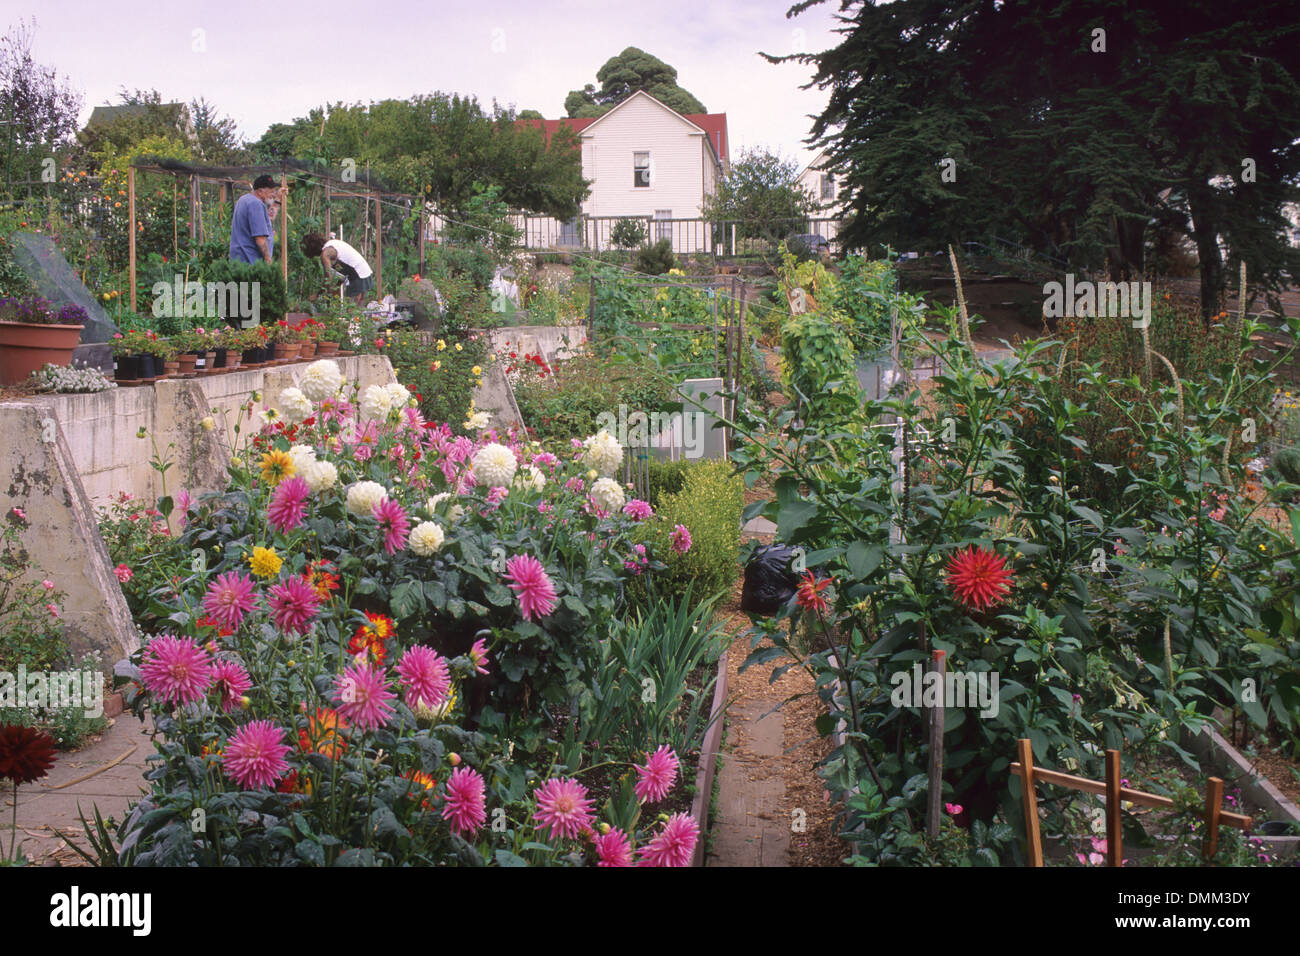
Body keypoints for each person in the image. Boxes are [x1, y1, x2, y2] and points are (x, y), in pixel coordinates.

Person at [302, 233, 375, 303]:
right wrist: (336, 287)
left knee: (352, 310)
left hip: (358, 275)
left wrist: (317, 295)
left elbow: (328, 279)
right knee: (358, 309)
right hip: (364, 272)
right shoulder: (333, 243)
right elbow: (342, 271)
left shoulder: (325, 254)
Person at [230, 175, 282, 264]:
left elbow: (268, 218)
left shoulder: (244, 199)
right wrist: (269, 263)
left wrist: (277, 200)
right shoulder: (256, 204)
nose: (274, 195)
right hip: (250, 263)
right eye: (271, 192)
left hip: (239, 262)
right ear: (260, 191)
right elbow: (260, 239)